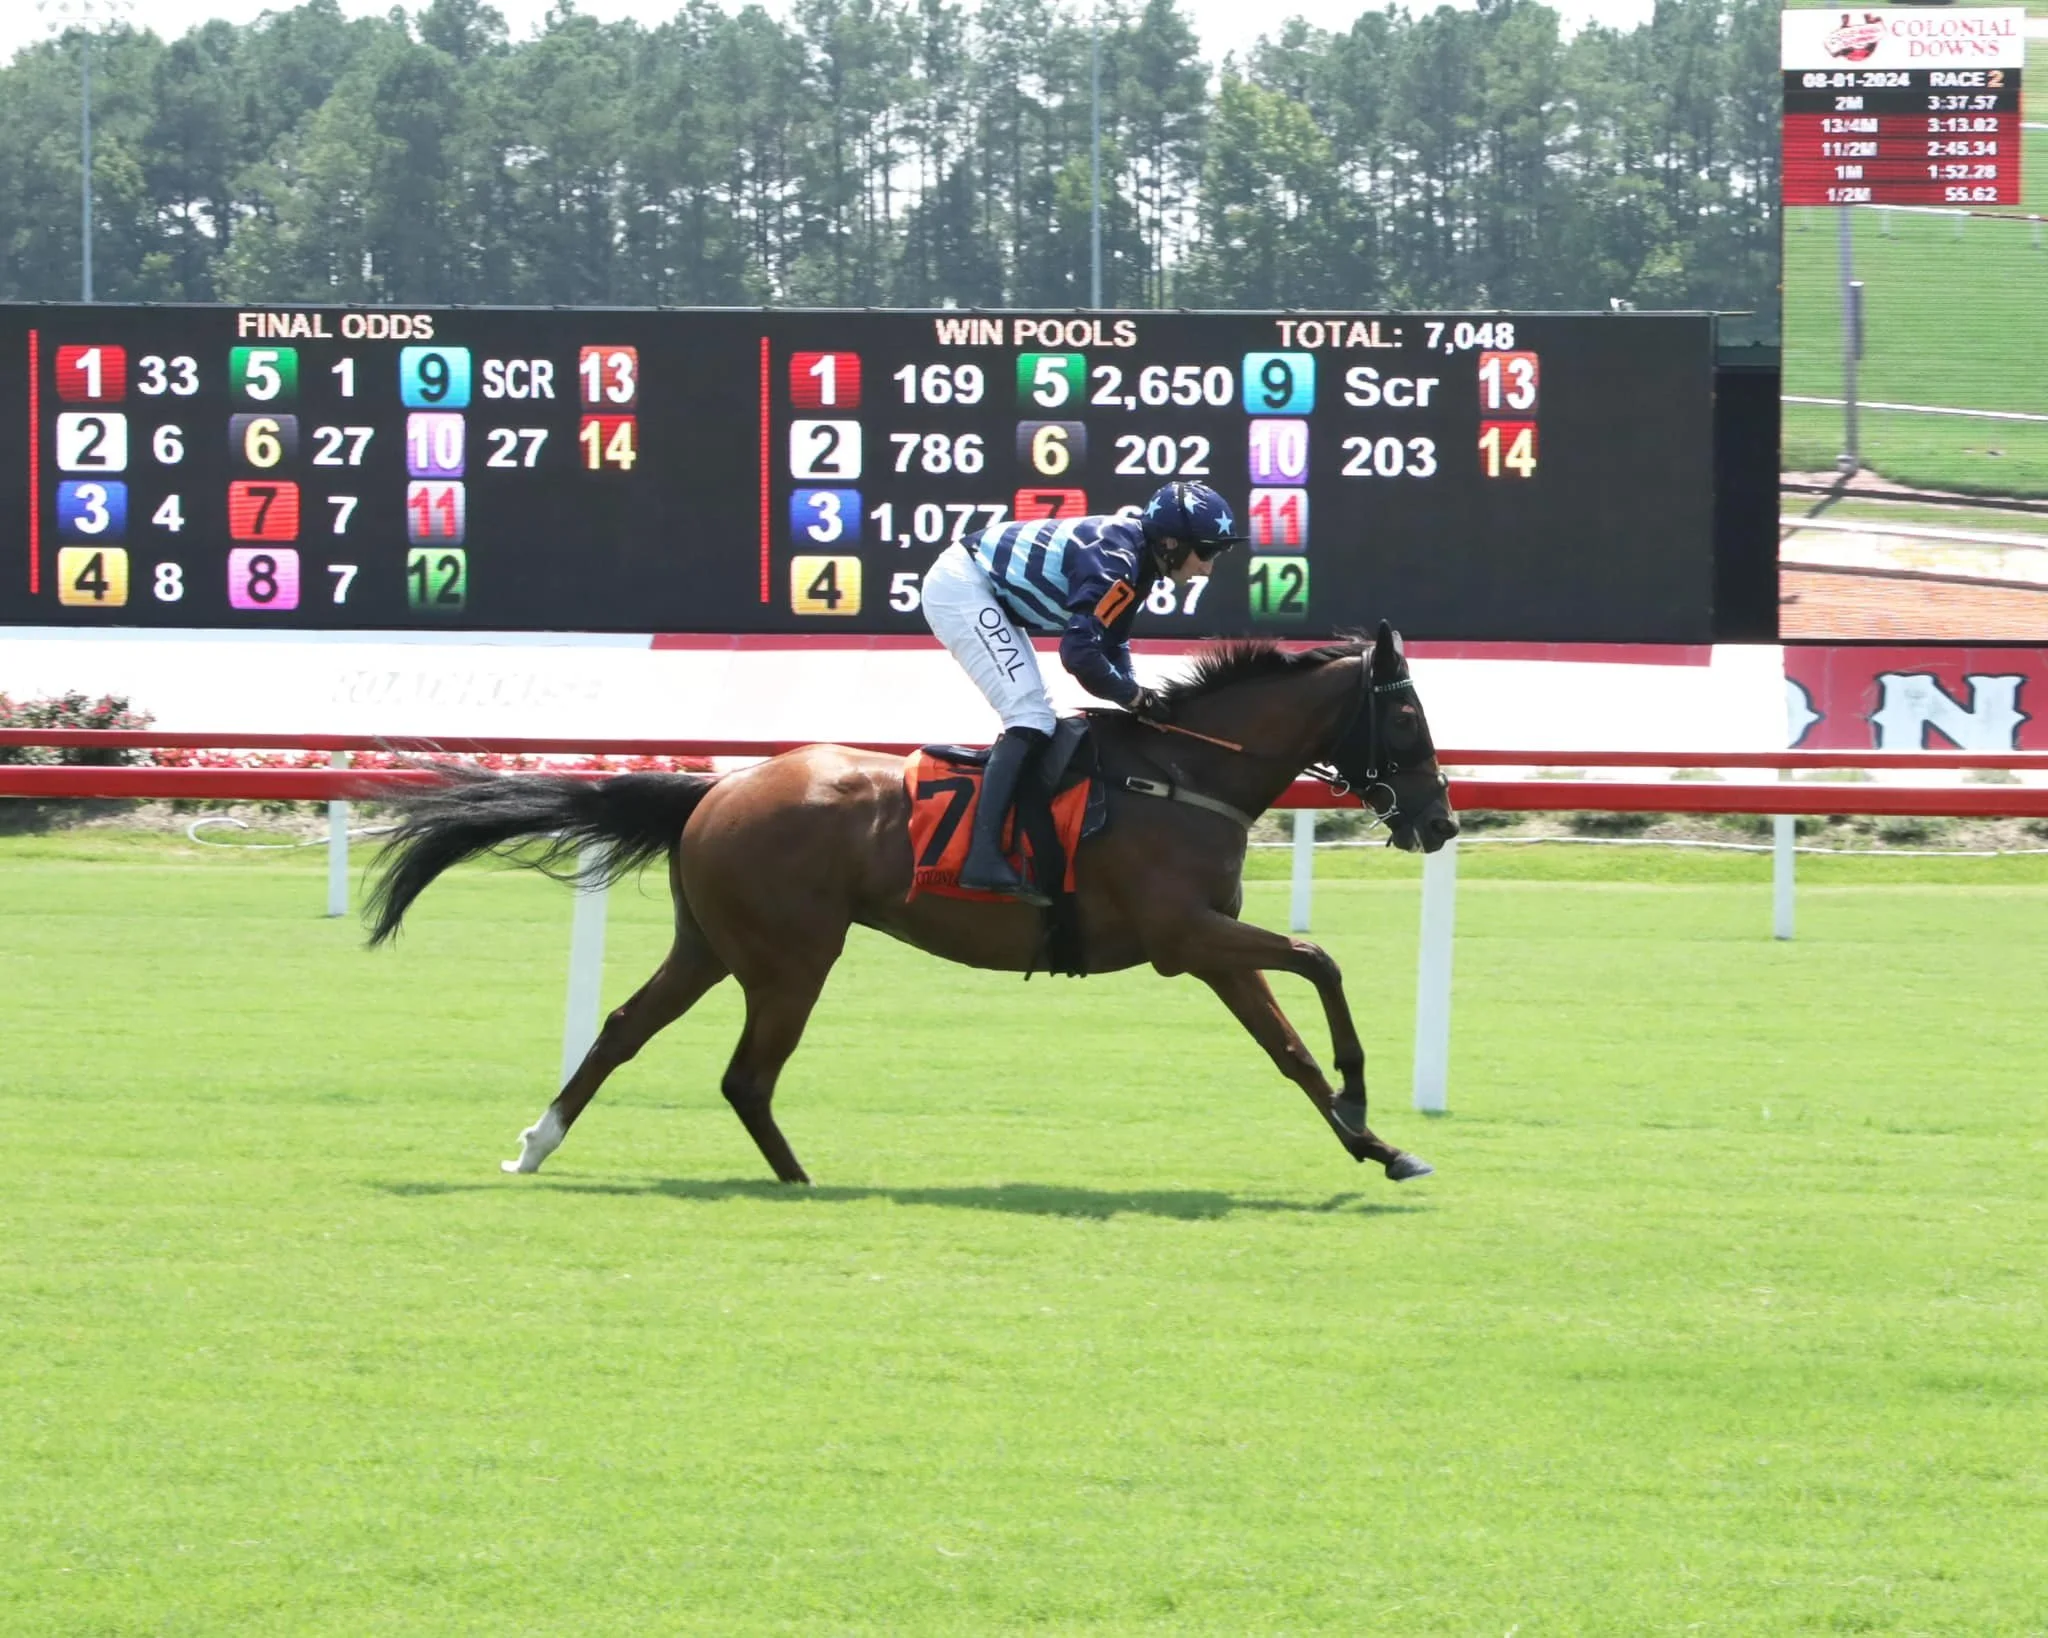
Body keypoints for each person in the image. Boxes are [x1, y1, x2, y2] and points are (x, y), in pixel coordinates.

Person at [919, 479, 1247, 904]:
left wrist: (1135, 696)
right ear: (1170, 542)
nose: (1208, 567)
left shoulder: (1141, 562)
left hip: (985, 588)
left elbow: (1114, 644)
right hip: (961, 586)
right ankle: (982, 856)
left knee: (1037, 715)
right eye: (1206, 551)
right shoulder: (1116, 561)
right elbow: (1077, 655)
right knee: (1030, 715)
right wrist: (1134, 698)